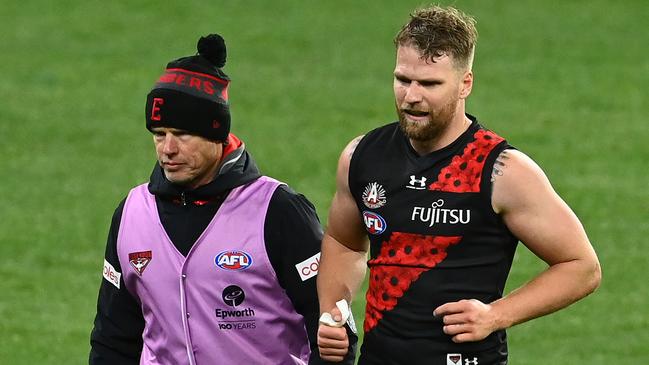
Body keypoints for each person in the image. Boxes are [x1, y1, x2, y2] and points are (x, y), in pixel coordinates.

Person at [316, 5, 601, 365]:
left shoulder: (502, 170)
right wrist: (333, 311)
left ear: (465, 83)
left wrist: (496, 315)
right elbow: (344, 242)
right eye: (403, 79)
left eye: (430, 84)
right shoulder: (362, 156)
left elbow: (581, 266)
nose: (411, 97)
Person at [89, 33, 356, 365]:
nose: (168, 149)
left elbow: (335, 332)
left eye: (183, 135)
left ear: (217, 135)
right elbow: (113, 338)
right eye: (159, 135)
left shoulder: (278, 211)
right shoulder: (132, 213)